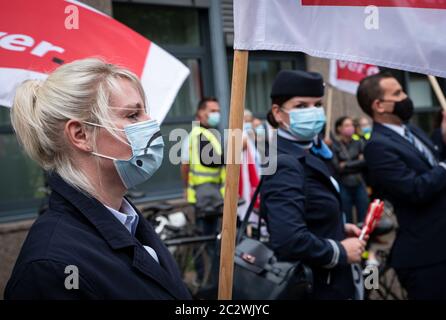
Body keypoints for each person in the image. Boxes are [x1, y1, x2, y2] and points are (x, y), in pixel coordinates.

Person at [4, 58, 191, 299]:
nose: (151, 124)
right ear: (81, 135)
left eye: (145, 111)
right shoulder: (50, 268)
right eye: (133, 115)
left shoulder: (128, 221)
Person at [261, 70, 366, 300]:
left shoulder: (310, 152)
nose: (312, 112)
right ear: (278, 113)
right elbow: (288, 239)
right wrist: (339, 251)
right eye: (300, 106)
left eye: (317, 104)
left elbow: (308, 209)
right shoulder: (284, 162)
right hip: (314, 288)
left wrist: (336, 225)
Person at [356, 72, 446, 299]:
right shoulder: (377, 146)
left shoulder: (411, 130)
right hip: (426, 256)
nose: (405, 97)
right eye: (397, 93)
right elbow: (415, 189)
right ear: (379, 105)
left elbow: (432, 164)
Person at [180, 97, 225, 286]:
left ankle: (211, 280)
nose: (216, 114)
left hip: (212, 196)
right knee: (204, 241)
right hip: (202, 197)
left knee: (211, 240)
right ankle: (204, 281)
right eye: (212, 110)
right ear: (200, 113)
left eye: (217, 110)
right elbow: (186, 165)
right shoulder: (198, 134)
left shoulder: (208, 134)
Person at [331, 116, 369, 224]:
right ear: (339, 128)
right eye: (347, 125)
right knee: (347, 217)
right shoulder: (334, 145)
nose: (351, 128)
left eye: (352, 125)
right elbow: (337, 167)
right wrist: (356, 161)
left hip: (359, 182)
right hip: (343, 184)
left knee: (364, 216)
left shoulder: (359, 143)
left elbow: (365, 162)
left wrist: (346, 164)